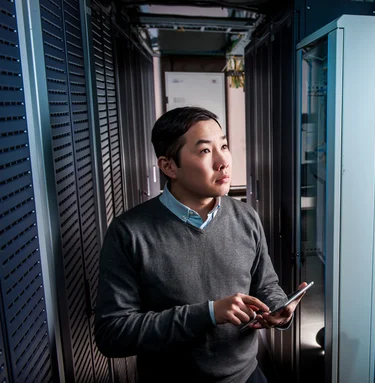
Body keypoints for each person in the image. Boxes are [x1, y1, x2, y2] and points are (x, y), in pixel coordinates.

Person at [94, 106, 307, 383]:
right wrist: (207, 313)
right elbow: (113, 334)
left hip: (248, 375)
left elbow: (264, 284)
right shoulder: (129, 232)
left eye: (224, 146)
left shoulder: (245, 216)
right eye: (205, 151)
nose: (223, 162)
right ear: (169, 166)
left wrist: (279, 308)